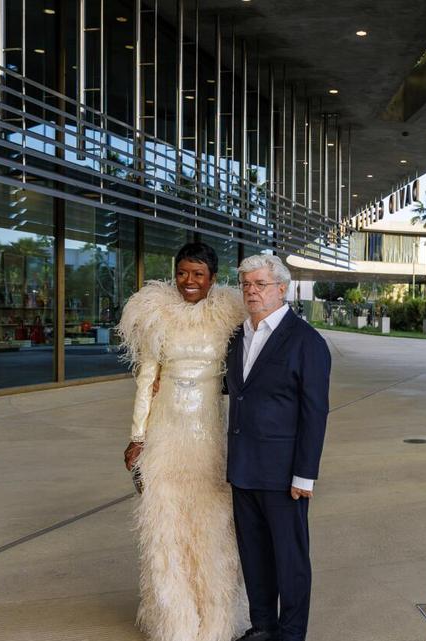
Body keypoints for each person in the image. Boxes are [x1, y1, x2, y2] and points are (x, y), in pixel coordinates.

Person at [118, 242, 249, 641]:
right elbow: (146, 378)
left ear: (212, 278)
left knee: (210, 529)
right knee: (166, 529)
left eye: (198, 275)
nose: (188, 282)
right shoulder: (155, 313)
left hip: (209, 440)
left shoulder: (229, 315)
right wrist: (137, 436)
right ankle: (174, 622)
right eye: (182, 273)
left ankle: (213, 620)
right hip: (165, 436)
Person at [224, 254, 332, 641]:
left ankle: (290, 634)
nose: (252, 291)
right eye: (246, 285)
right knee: (254, 558)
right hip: (243, 469)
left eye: (260, 284)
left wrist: (305, 474)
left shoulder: (307, 341)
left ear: (282, 289)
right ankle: (264, 627)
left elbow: (315, 413)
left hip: (285, 474)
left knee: (290, 561)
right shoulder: (239, 336)